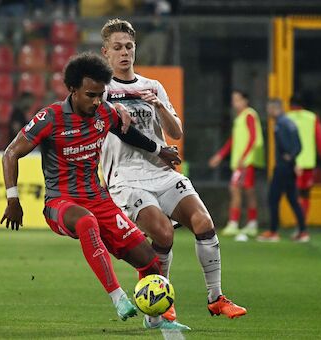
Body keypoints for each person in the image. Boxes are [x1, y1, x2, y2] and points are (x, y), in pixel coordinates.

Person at [0, 52, 190, 331]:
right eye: (90, 94)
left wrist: (160, 150)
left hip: (99, 200)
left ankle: (155, 319)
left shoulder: (104, 111)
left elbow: (127, 133)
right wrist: (12, 199)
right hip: (61, 203)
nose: (96, 101)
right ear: (72, 90)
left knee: (150, 262)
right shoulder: (49, 118)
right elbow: (10, 153)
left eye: (101, 94)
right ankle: (117, 296)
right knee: (86, 221)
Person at [99, 18, 247, 321]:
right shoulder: (102, 91)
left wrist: (161, 107)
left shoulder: (152, 86)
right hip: (126, 178)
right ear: (106, 52)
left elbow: (176, 132)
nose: (125, 52)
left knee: (204, 223)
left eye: (129, 46)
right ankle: (159, 305)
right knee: (163, 234)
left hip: (161, 171)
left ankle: (216, 297)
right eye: (117, 48)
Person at [209, 90, 265, 237]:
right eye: (233, 100)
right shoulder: (240, 118)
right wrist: (220, 155)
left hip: (245, 161)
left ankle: (234, 223)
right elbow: (232, 140)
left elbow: (253, 137)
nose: (235, 103)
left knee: (235, 189)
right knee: (248, 191)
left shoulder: (249, 115)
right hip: (243, 162)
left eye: (237, 100)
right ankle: (252, 224)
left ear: (245, 101)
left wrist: (244, 156)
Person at [257, 99, 307, 242]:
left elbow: (286, 146)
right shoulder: (290, 122)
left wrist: (287, 157)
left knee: (273, 198)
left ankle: (273, 232)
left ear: (274, 109)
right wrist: (293, 159)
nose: (268, 112)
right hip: (290, 167)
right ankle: (303, 231)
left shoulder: (280, 124)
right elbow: (299, 145)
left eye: (269, 109)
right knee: (292, 199)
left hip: (283, 167)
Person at [287, 94, 321, 222]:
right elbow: (320, 141)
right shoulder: (312, 118)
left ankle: (297, 223)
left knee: (292, 195)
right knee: (305, 194)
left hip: (291, 163)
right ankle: (302, 224)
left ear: (290, 105)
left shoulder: (286, 118)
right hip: (307, 163)